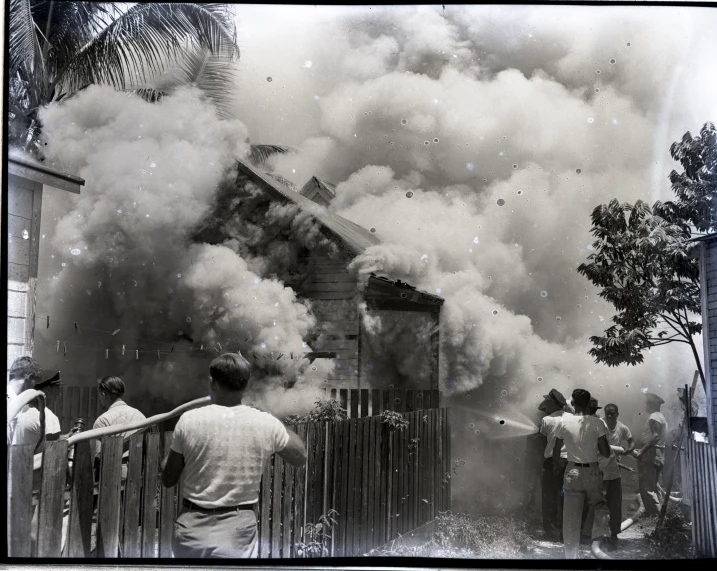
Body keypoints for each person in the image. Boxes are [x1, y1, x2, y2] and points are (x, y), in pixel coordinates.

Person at [161, 352, 308, 558]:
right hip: (238, 530)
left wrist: (169, 459)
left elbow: (168, 479)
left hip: (193, 528)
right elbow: (300, 456)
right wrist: (273, 419)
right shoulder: (265, 422)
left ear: (213, 383)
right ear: (246, 385)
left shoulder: (189, 420)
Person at [553, 388, 611, 559]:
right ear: (588, 404)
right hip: (592, 470)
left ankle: (571, 557)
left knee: (571, 517)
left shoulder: (563, 422)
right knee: (600, 507)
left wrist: (556, 466)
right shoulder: (597, 423)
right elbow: (606, 452)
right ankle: (597, 544)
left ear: (572, 402)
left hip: (572, 471)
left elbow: (556, 449)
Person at [581, 401, 634, 548]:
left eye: (613, 414)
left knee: (615, 505)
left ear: (617, 414)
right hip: (600, 472)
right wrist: (618, 449)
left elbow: (631, 442)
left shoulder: (621, 428)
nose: (609, 416)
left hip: (613, 472)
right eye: (607, 413)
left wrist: (627, 451)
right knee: (596, 504)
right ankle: (588, 535)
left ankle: (613, 534)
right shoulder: (598, 426)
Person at [92, 376, 147, 468]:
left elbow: (98, 457)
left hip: (112, 473)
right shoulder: (140, 415)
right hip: (138, 471)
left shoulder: (103, 420)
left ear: (104, 394)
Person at [538, 388, 570, 542]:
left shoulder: (547, 420)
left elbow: (542, 441)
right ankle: (566, 533)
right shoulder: (573, 419)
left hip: (552, 462)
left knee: (549, 497)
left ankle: (550, 532)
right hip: (570, 463)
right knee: (567, 498)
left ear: (551, 403)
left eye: (547, 402)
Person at [633, 392, 667, 515]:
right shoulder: (660, 416)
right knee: (654, 486)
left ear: (651, 404)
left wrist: (642, 451)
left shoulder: (654, 417)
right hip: (659, 454)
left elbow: (655, 436)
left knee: (646, 488)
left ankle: (656, 518)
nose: (645, 405)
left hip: (651, 454)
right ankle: (663, 516)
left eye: (647, 403)